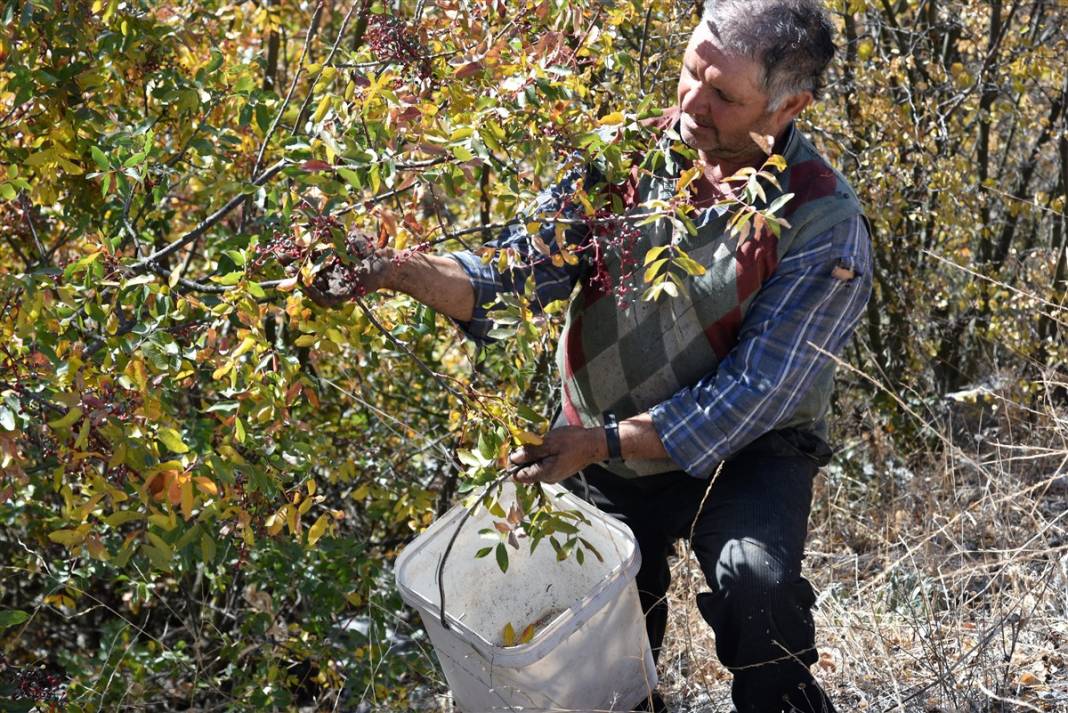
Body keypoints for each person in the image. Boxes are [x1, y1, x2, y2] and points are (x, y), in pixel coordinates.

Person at [316, 1, 870, 710]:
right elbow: (513, 278)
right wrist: (389, 269)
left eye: (723, 96)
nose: (691, 104)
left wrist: (601, 441)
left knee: (755, 590)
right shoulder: (625, 158)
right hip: (604, 438)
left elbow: (750, 394)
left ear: (788, 106)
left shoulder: (823, 223)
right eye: (689, 73)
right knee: (599, 660)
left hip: (748, 453)